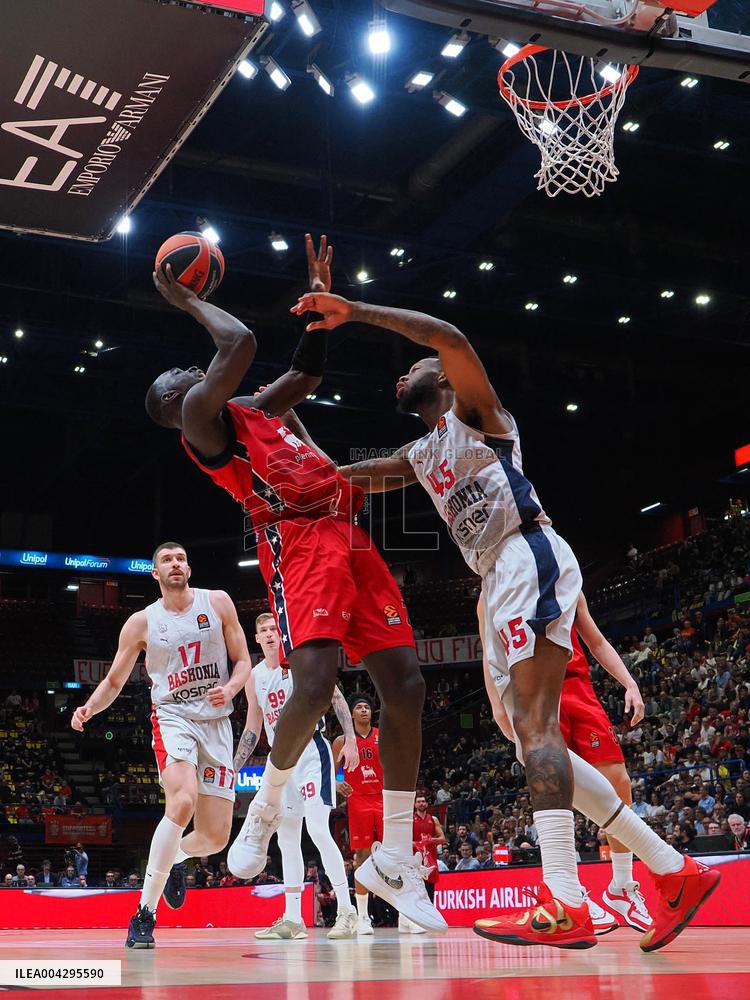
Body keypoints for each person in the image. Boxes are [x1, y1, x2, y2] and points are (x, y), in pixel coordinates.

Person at [294, 291, 721, 952]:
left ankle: (564, 899)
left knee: (538, 729)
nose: (400, 375)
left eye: (413, 368)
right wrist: (282, 441)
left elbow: (450, 335)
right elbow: (345, 478)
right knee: (531, 743)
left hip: (528, 553)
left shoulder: (480, 415)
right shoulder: (419, 454)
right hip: (495, 579)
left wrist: (355, 311)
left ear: (441, 379)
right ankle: (676, 871)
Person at [146, 237, 444, 933]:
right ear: (173, 401)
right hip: (297, 539)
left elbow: (304, 375)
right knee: (313, 685)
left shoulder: (247, 408)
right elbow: (241, 340)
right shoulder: (198, 424)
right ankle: (264, 813)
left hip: (347, 527)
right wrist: (186, 298)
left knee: (407, 684)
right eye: (181, 373)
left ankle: (394, 859)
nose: (192, 369)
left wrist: (317, 310)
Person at [71, 541, 252, 948]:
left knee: (215, 837)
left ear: (189, 568)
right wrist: (88, 708)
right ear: (155, 573)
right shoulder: (141, 622)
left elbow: (243, 660)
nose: (175, 564)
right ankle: (144, 914)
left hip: (217, 722)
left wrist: (232, 686)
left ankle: (175, 859)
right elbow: (115, 680)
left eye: (181, 558)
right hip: (173, 719)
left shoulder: (218, 603)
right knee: (182, 802)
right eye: (167, 560)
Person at [234, 612, 359, 940]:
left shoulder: (299, 661)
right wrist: (233, 766)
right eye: (263, 630)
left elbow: (335, 697)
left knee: (318, 829)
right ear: (257, 639)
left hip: (312, 751)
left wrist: (351, 740)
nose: (270, 634)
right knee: (285, 838)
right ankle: (293, 918)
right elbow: (253, 725)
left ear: (282, 632)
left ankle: (347, 911)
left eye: (274, 628)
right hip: (280, 761)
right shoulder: (255, 676)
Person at [333, 695, 383, 935]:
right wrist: (336, 783)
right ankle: (363, 916)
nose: (364, 711)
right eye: (359, 708)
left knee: (393, 855)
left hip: (383, 797)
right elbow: (329, 772)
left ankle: (405, 915)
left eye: (367, 707)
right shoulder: (342, 740)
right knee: (361, 856)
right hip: (358, 800)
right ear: (350, 714)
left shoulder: (383, 735)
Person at [399, 794, 446, 934]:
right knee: (413, 888)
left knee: (429, 888)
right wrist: (415, 843)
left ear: (426, 803)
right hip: (413, 857)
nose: (421, 803)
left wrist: (429, 841)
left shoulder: (433, 819)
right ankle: (409, 919)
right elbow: (402, 838)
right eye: (418, 801)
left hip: (429, 857)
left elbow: (442, 838)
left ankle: (429, 918)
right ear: (414, 805)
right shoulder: (409, 819)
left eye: (423, 801)